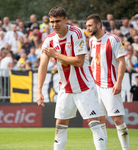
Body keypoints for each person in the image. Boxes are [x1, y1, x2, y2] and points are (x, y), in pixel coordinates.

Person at [37, 7, 106, 150]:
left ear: (65, 20)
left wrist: (55, 54)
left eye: (57, 21)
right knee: (60, 126)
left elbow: (79, 61)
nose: (54, 25)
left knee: (94, 124)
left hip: (84, 86)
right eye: (52, 22)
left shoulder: (76, 33)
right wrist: (39, 91)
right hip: (65, 88)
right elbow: (43, 67)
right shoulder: (49, 40)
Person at [86, 14, 129, 150]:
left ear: (98, 25)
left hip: (110, 86)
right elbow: (94, 59)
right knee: (99, 121)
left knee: (117, 120)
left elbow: (122, 62)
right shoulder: (91, 41)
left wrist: (119, 82)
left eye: (90, 26)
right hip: (96, 86)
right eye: (86, 26)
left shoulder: (113, 39)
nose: (87, 28)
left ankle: (125, 148)